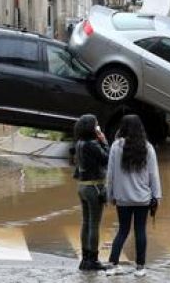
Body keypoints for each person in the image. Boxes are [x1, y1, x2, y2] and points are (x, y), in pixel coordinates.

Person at [105, 115, 162, 277]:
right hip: (143, 198)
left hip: (122, 198)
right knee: (140, 231)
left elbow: (110, 174)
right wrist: (157, 196)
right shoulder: (147, 147)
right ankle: (140, 267)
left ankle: (112, 265)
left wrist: (110, 195)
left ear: (122, 127)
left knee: (122, 230)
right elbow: (154, 175)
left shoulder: (116, 146)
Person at [72, 114, 109, 271]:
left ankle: (85, 259)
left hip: (82, 187)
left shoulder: (79, 143)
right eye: (96, 125)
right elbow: (107, 158)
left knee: (86, 223)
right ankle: (93, 260)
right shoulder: (93, 144)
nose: (98, 127)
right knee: (94, 224)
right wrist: (104, 141)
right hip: (94, 187)